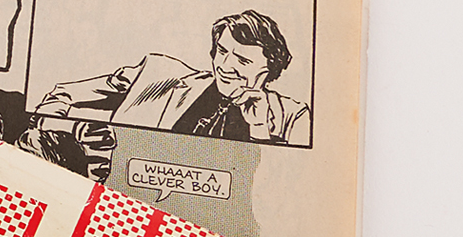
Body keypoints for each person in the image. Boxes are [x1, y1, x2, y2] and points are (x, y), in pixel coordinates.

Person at [34, 9, 311, 149]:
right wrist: (70, 132)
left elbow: (280, 197)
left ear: (269, 69)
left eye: (242, 60)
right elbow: (63, 95)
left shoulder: (293, 117)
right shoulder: (158, 76)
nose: (225, 66)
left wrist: (259, 128)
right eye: (222, 51)